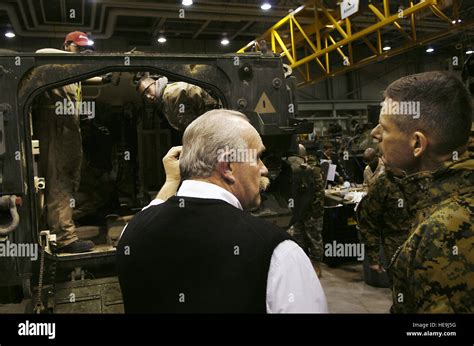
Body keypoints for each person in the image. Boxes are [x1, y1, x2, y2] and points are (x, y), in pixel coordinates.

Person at [117, 109, 328, 313]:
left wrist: (172, 180)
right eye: (256, 157)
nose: (263, 168)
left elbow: (154, 209)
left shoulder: (131, 234)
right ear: (227, 167)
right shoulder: (279, 254)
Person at [371, 71, 473, 313]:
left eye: (384, 128)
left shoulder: (445, 231)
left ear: (417, 143)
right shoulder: (442, 198)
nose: (374, 134)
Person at [34, 31, 99, 253]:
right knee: (60, 182)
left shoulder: (75, 75)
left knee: (70, 182)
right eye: (78, 47)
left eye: (86, 48)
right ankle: (65, 238)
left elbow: (94, 76)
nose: (82, 52)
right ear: (66, 45)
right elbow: (40, 53)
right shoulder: (56, 66)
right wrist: (72, 56)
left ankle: (62, 226)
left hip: (69, 129)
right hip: (57, 127)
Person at [356, 168, 414, 275]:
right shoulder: (383, 183)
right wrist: (374, 257)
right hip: (396, 248)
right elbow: (369, 220)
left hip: (424, 247)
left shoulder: (423, 177)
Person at [287, 144, 324, 277]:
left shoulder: (313, 169)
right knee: (299, 239)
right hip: (299, 211)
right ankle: (303, 266)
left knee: (314, 239)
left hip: (312, 212)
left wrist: (314, 212)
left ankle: (316, 266)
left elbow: (319, 194)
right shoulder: (294, 168)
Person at [136, 75, 219, 132]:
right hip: (210, 122)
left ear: (154, 83)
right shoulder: (164, 99)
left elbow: (189, 123)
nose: (148, 97)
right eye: (144, 96)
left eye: (148, 90)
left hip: (213, 122)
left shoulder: (172, 94)